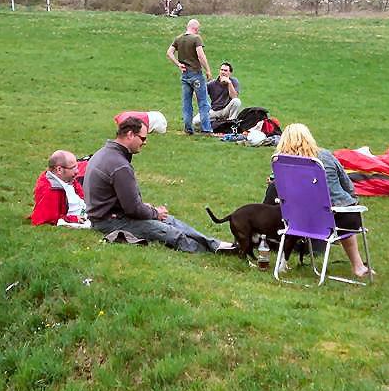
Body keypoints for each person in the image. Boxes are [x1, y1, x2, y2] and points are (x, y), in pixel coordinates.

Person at [83, 117, 236, 253]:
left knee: (170, 220)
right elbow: (133, 209)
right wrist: (154, 213)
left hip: (109, 216)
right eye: (142, 138)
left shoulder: (105, 153)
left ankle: (217, 245)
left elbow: (128, 204)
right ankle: (213, 252)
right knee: (170, 232)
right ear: (130, 135)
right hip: (109, 222)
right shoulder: (119, 165)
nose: (145, 142)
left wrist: (150, 211)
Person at [264, 123, 373, 278]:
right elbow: (348, 187)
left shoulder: (281, 162)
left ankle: (282, 259)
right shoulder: (325, 157)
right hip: (333, 219)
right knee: (348, 208)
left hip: (298, 220)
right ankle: (358, 266)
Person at [166, 18, 213, 135]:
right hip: (196, 74)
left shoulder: (178, 38)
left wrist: (178, 64)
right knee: (203, 102)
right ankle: (206, 129)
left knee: (187, 103)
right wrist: (208, 70)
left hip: (185, 75)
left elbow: (169, 52)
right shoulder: (196, 39)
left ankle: (188, 129)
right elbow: (201, 56)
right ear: (196, 28)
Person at [31, 150, 90, 227]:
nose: (77, 171)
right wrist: (74, 219)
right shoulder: (51, 190)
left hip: (88, 212)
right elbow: (47, 219)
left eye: (76, 166)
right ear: (59, 170)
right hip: (83, 218)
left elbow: (82, 196)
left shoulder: (66, 178)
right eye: (73, 168)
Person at [192, 61, 241, 129]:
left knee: (236, 101)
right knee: (195, 121)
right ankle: (216, 123)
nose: (223, 72)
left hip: (226, 109)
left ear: (230, 73)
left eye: (225, 70)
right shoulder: (212, 83)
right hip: (214, 110)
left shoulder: (234, 81)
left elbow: (234, 97)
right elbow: (198, 96)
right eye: (221, 70)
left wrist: (229, 83)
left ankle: (230, 124)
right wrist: (198, 86)